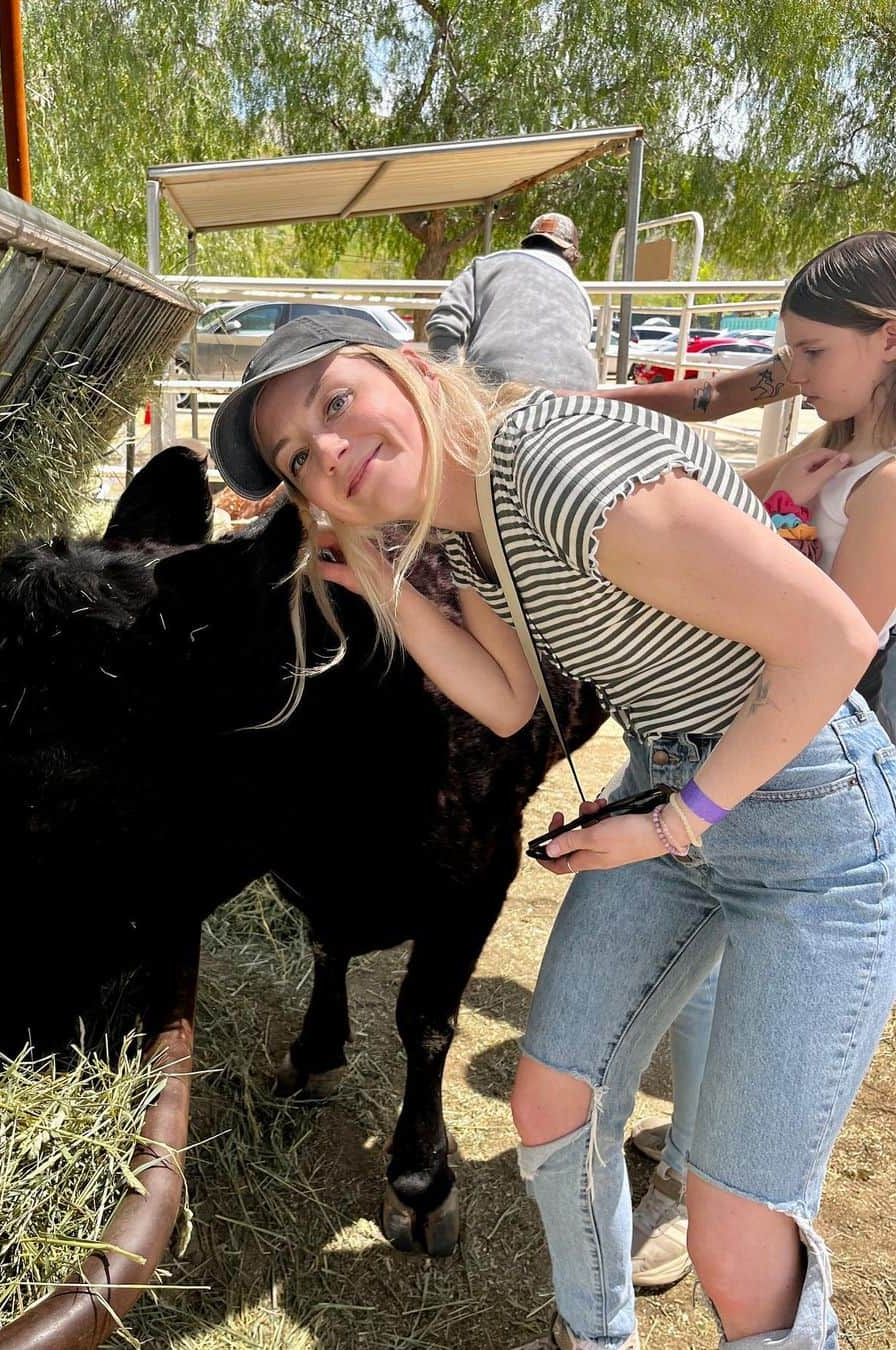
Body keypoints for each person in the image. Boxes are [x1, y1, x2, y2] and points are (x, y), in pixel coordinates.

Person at [208, 310, 895, 1350]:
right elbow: (506, 702)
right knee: (548, 1103)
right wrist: (381, 577)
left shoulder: (555, 463)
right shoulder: (468, 520)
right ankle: (595, 1336)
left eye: (336, 403)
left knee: (734, 1235)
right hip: (676, 778)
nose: (330, 450)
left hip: (808, 818)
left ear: (409, 371)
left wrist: (672, 825)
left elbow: (836, 638)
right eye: (300, 456)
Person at [611, 230, 896, 1294]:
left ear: (888, 342)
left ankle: (704, 1188)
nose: (799, 375)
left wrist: (778, 522)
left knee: (758, 968)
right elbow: (722, 503)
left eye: (814, 354)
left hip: (822, 752)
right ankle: (692, 1152)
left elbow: (840, 638)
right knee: (710, 948)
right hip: (759, 738)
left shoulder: (885, 480)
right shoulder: (837, 445)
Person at [426, 211, 598, 392]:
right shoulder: (581, 294)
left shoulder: (485, 266)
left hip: (497, 389)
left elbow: (444, 325)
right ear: (573, 254)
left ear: (527, 244)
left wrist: (452, 389)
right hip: (576, 395)